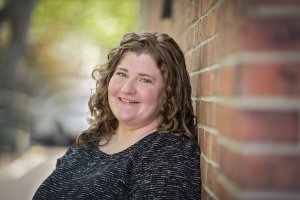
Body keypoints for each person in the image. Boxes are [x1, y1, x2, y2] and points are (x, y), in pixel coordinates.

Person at [33, 32, 201, 200]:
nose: (127, 88)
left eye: (145, 80)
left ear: (169, 93)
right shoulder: (88, 143)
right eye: (122, 74)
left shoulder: (169, 155)